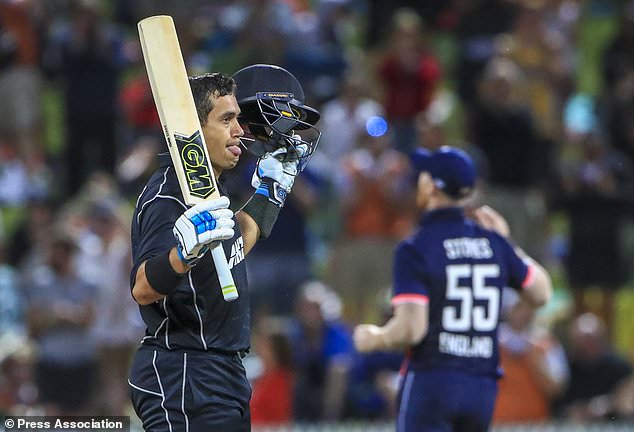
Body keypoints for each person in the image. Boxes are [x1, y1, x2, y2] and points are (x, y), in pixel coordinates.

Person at [127, 65, 320, 431]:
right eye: (227, 119)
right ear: (194, 130)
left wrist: (271, 192)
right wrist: (182, 255)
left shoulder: (212, 189)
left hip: (221, 371)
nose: (240, 130)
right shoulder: (168, 195)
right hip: (185, 372)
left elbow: (231, 248)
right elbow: (142, 287)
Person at [353, 146, 552, 431]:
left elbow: (412, 329)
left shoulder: (416, 247)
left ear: (432, 187)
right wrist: (508, 244)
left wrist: (375, 337)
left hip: (433, 380)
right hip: (482, 386)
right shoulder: (493, 242)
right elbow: (541, 293)